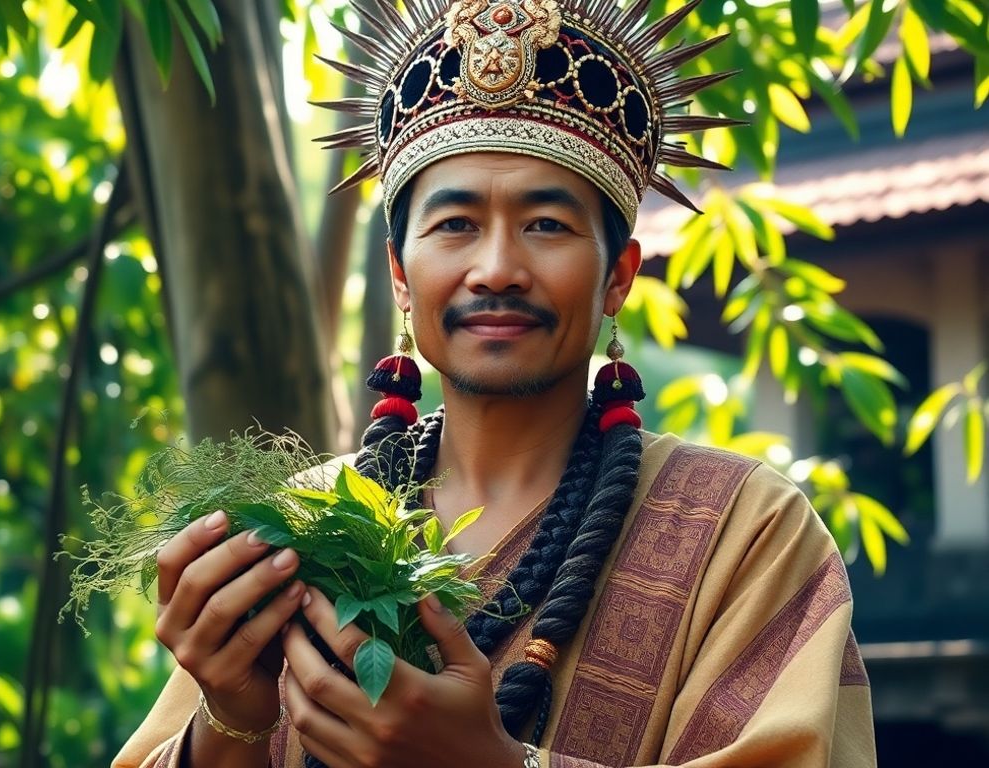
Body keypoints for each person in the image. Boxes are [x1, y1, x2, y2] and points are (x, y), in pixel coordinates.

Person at [113, 1, 877, 766]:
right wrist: (232, 717)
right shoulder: (300, 525)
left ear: (618, 276)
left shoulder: (745, 531)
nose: (498, 270)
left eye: (546, 224)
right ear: (400, 277)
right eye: (455, 225)